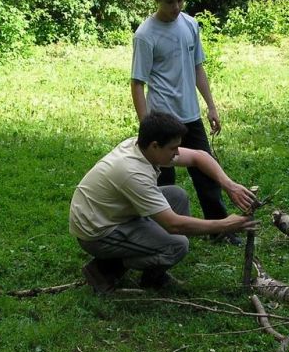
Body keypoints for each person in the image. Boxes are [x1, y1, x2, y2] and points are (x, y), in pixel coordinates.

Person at [69, 111, 258, 294]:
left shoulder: (140, 147)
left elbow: (198, 156)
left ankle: (146, 253)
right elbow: (174, 225)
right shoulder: (133, 173)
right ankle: (105, 269)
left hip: (109, 212)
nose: (176, 153)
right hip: (97, 231)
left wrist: (230, 185)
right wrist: (225, 224)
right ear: (154, 146)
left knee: (177, 195)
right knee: (177, 245)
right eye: (172, 148)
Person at [131, 0, 240, 243]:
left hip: (191, 116)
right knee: (163, 181)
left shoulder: (190, 24)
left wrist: (211, 106)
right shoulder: (145, 35)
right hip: (163, 119)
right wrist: (147, 126)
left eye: (180, 1)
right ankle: (162, 231)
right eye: (169, 2)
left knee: (207, 174)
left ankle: (219, 230)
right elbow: (137, 84)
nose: (176, 7)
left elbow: (198, 68)